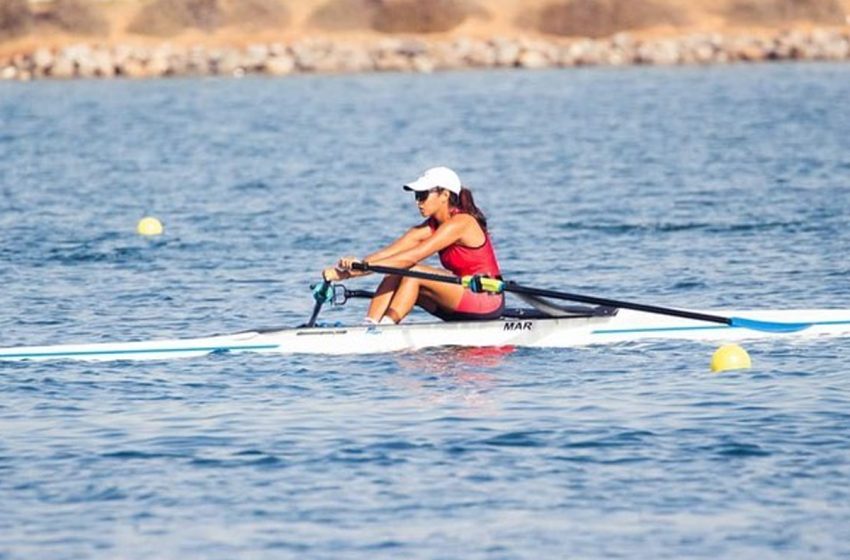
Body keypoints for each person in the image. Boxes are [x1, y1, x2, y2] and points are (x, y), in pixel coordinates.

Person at [323, 166, 504, 325]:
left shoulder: (462, 223)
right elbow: (387, 256)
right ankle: (370, 326)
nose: (418, 202)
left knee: (412, 272)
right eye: (417, 196)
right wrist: (345, 272)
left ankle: (385, 328)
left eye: (423, 195)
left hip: (486, 298)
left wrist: (355, 271)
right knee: (395, 270)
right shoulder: (429, 227)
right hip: (461, 298)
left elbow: (411, 258)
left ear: (444, 195)